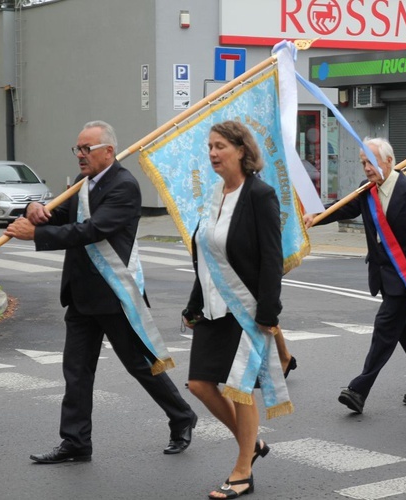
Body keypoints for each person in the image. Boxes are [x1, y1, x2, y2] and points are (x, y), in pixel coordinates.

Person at [5, 121, 197, 463]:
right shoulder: (81, 184)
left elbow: (92, 230)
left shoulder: (124, 186)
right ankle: (75, 442)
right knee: (76, 371)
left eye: (86, 149)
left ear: (108, 151)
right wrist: (34, 209)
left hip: (113, 293)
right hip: (80, 295)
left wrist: (36, 237)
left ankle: (182, 417)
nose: (80, 155)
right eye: (77, 149)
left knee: (139, 365)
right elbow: (55, 215)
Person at [181, 121, 288, 499]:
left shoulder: (260, 195)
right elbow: (206, 256)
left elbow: (272, 259)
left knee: (242, 391)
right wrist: (194, 303)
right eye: (209, 146)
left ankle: (242, 470)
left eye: (220, 146)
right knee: (199, 385)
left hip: (245, 310)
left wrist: (268, 314)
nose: (212, 153)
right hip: (212, 307)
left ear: (241, 150)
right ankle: (252, 442)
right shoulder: (214, 195)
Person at [303, 137, 406, 414]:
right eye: (363, 162)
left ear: (389, 161)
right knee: (404, 331)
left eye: (371, 162)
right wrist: (315, 217)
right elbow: (342, 208)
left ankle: (359, 389)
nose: (367, 168)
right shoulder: (366, 191)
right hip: (382, 274)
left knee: (384, 328)